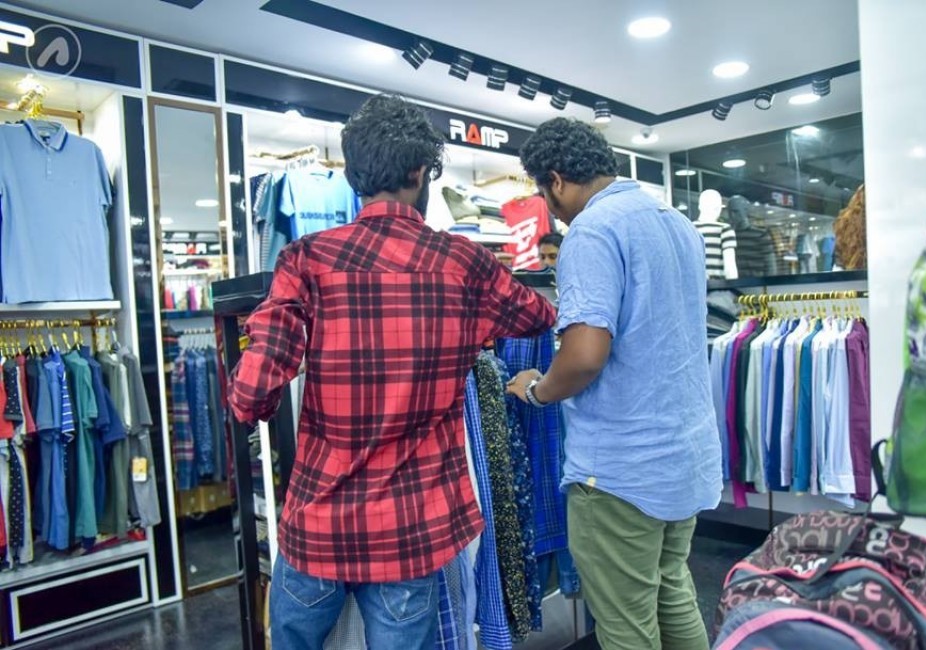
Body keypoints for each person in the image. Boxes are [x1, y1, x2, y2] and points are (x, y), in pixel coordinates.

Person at [227, 95, 557, 650]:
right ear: (419, 173)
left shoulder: (307, 260)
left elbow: (251, 395)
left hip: (318, 524)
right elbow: (538, 316)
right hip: (408, 529)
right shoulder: (464, 262)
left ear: (354, 176)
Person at [507, 117, 723, 650]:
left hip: (620, 471)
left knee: (627, 626)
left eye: (545, 195)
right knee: (672, 592)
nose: (553, 212)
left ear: (557, 180)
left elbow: (584, 356)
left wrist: (537, 389)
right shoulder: (675, 222)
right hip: (684, 457)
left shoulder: (592, 231)